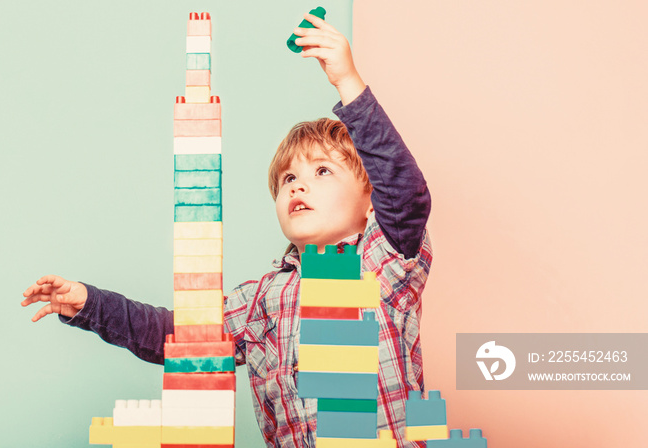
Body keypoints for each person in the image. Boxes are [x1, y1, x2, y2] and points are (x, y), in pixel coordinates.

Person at [21, 13, 432, 448]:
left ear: (370, 199)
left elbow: (405, 194)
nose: (299, 184)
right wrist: (89, 303)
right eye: (288, 179)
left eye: (323, 171)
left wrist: (347, 81)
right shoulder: (259, 300)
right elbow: (177, 336)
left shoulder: (383, 263)